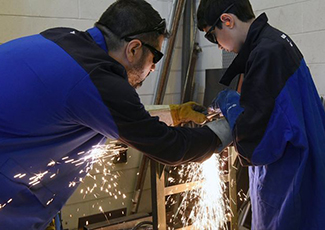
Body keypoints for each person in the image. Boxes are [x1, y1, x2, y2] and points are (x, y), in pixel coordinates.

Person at [0, 0, 231, 229]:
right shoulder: (97, 80)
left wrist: (176, 113)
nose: (152, 69)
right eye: (155, 58)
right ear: (133, 48)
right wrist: (225, 130)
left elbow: (115, 116)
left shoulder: (61, 39)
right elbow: (170, 147)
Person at [198, 0, 325, 229]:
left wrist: (228, 102)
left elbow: (255, 145)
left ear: (227, 20)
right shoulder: (273, 43)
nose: (217, 46)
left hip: (289, 183)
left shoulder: (266, 54)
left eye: (211, 36)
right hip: (301, 172)